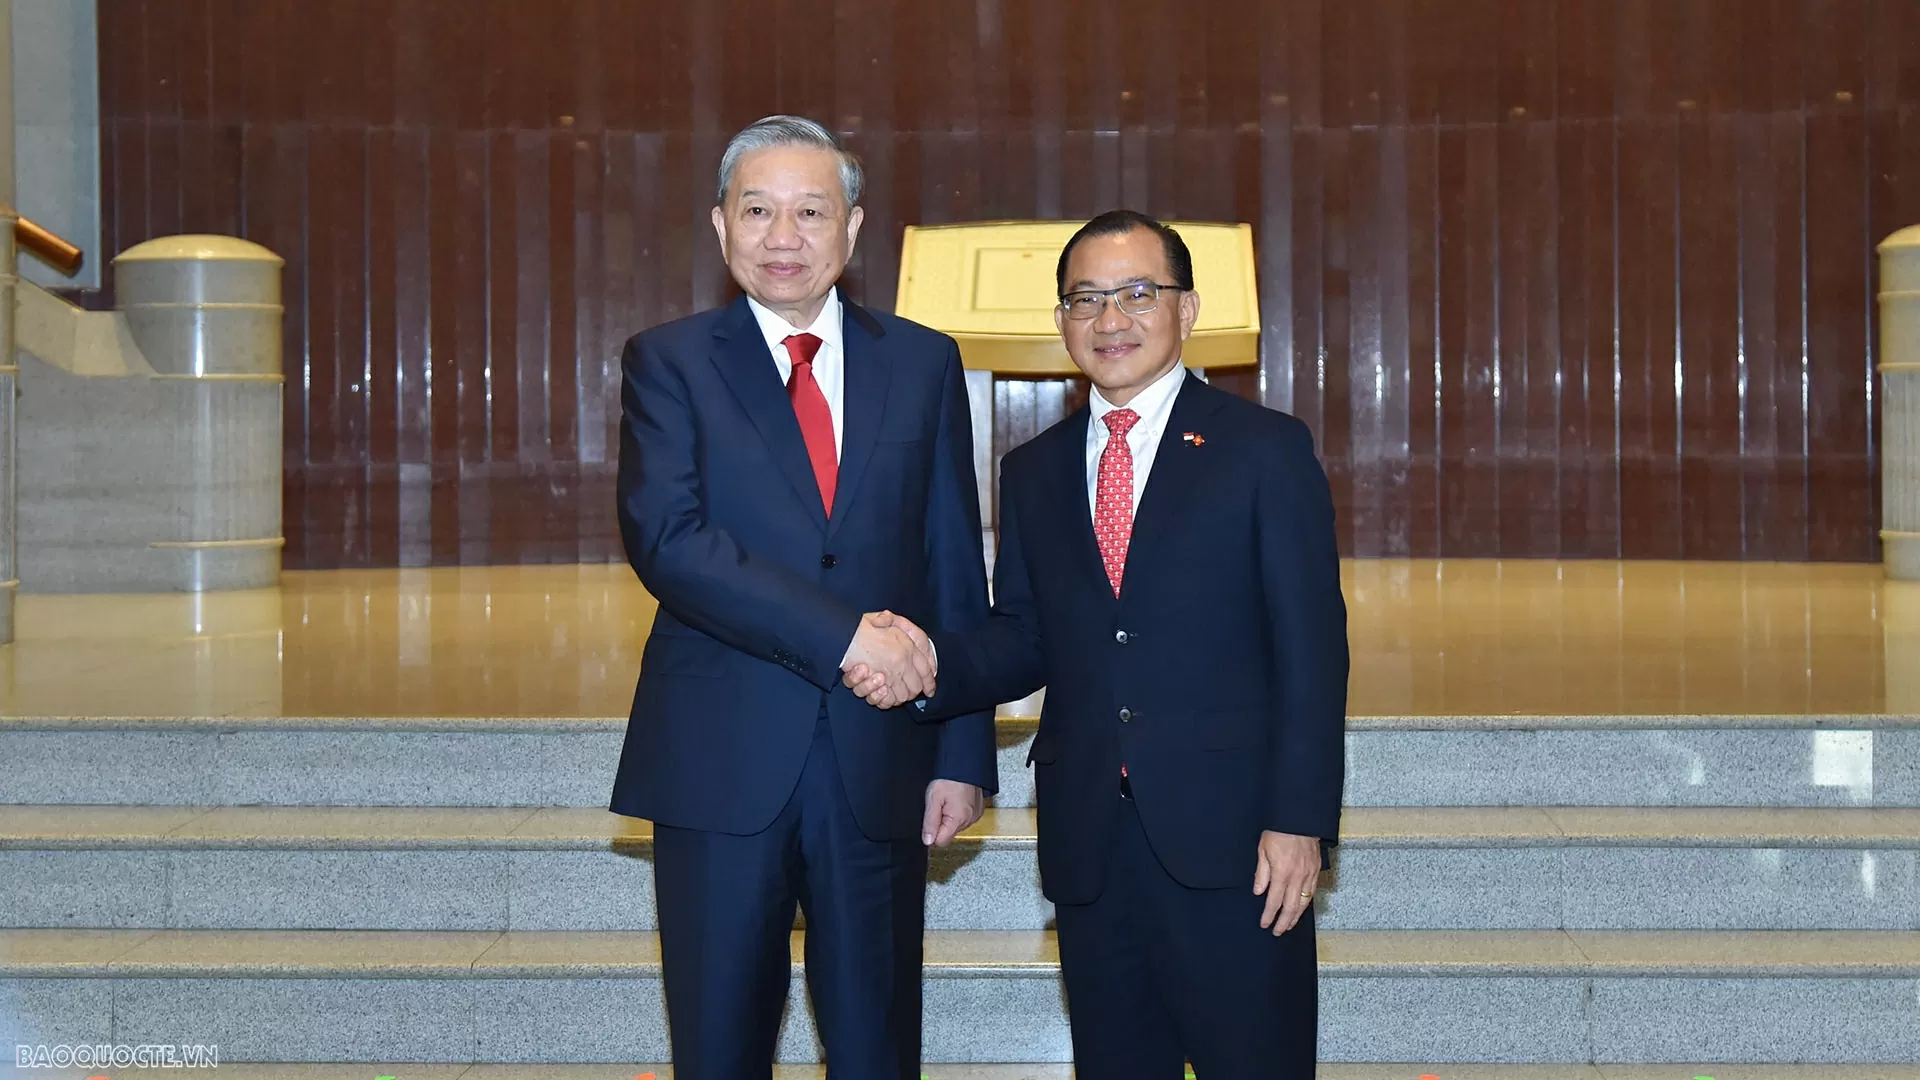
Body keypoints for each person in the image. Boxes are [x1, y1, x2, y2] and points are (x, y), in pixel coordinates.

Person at [848, 210, 1348, 1077]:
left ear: (1186, 311)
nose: (1109, 320)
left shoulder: (1265, 451)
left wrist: (1299, 821)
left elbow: (1313, 651)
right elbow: (1027, 639)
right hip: (1091, 846)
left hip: (1235, 847)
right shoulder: (1034, 470)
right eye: (1085, 299)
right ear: (1061, 322)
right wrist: (925, 663)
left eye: (1136, 294)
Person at [611, 114, 993, 1080]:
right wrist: (844, 639)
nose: (785, 237)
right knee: (720, 1047)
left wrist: (960, 747)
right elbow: (672, 544)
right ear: (719, 225)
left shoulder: (922, 361)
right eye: (759, 211)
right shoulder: (669, 362)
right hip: (720, 757)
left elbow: (951, 558)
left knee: (876, 1047)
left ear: (853, 229)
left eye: (811, 211)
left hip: (880, 761)